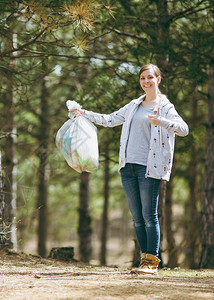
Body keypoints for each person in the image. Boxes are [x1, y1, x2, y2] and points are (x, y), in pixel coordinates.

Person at [71, 64, 189, 274]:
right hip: (128, 167)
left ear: (158, 80)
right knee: (136, 217)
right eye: (143, 78)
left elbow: (184, 129)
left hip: (149, 168)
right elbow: (109, 120)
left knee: (149, 216)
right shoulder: (134, 105)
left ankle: (152, 263)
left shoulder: (165, 106)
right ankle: (144, 260)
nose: (146, 81)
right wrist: (84, 113)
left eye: (150, 77)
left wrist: (161, 121)